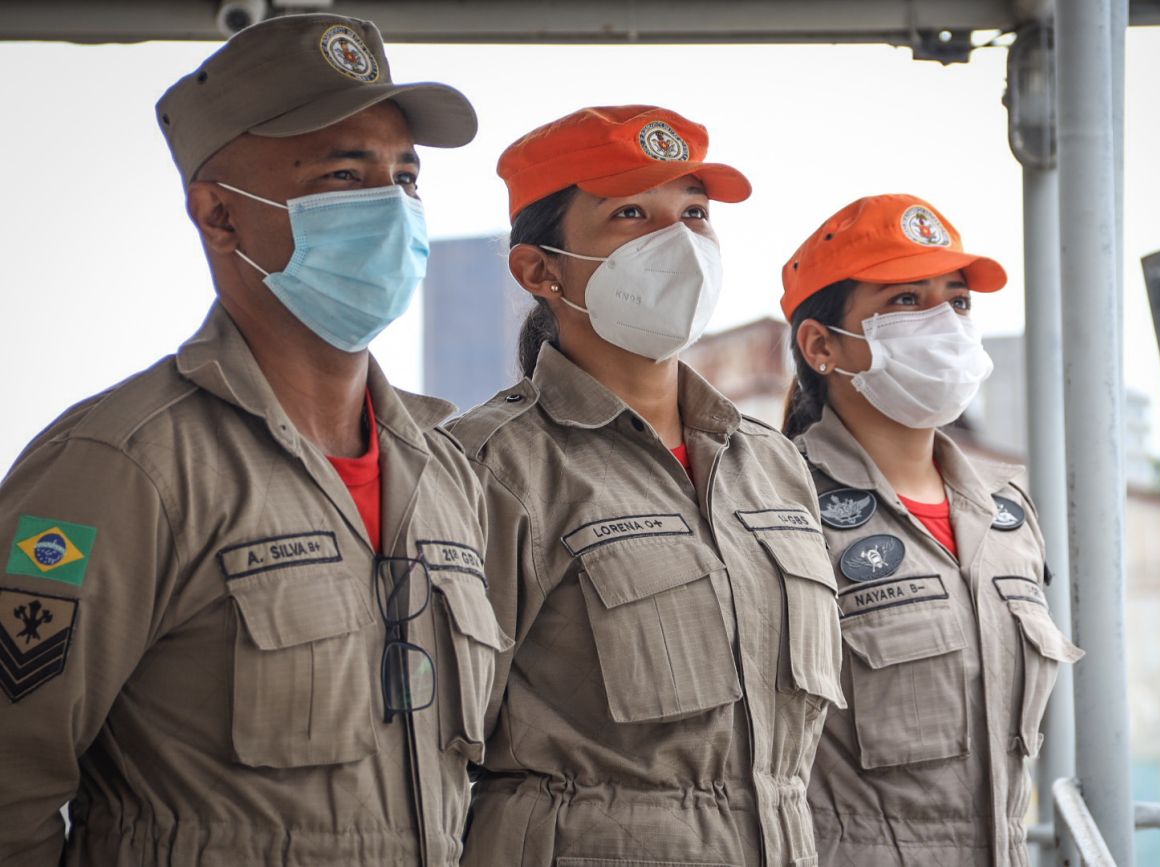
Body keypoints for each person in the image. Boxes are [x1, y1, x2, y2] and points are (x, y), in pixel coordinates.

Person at [0, 14, 507, 866]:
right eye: (344, 175)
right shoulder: (124, 467)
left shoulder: (443, 469)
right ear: (220, 215)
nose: (391, 208)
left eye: (405, 177)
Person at [447, 105, 846, 866]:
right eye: (630, 214)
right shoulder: (491, 466)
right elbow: (433, 745)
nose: (679, 243)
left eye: (693, 214)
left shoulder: (771, 464)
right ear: (540, 271)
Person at [780, 194, 1084, 867]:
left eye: (958, 300)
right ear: (822, 345)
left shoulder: (1006, 512)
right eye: (906, 301)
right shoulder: (777, 502)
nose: (944, 324)